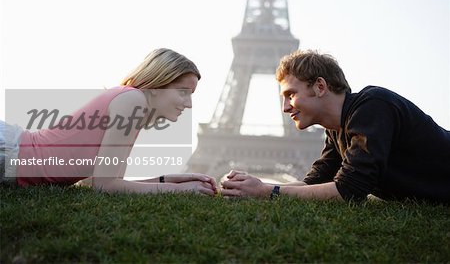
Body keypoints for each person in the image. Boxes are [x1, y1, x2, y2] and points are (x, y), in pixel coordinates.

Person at [221, 50, 450, 203]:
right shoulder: (337, 130)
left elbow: (350, 189)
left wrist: (265, 192)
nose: (285, 107)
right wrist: (252, 185)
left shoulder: (372, 106)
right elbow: (314, 183)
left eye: (291, 95)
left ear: (320, 86)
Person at [1, 48, 217, 196]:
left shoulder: (133, 105)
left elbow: (110, 182)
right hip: (11, 152)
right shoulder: (133, 100)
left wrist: (167, 180)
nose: (188, 104)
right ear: (159, 83)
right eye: (183, 92)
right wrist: (180, 190)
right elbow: (105, 186)